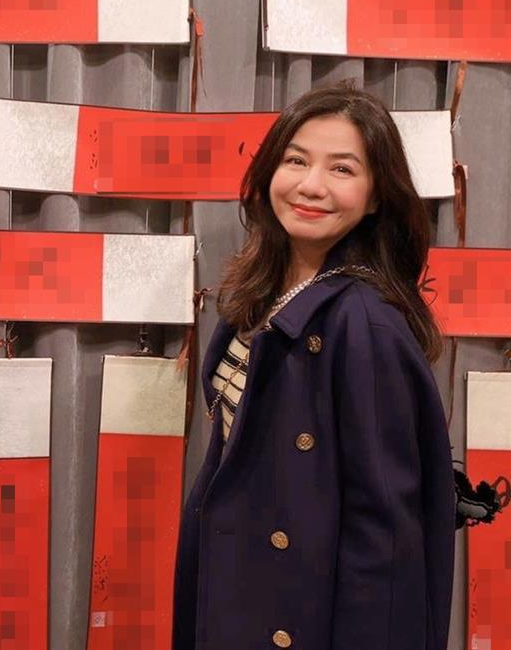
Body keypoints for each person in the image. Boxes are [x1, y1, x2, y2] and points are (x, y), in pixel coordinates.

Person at [172, 85, 455, 650]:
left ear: (376, 197)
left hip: (301, 615)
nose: (311, 185)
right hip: (239, 586)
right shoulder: (261, 292)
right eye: (296, 160)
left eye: (342, 169)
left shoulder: (364, 323)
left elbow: (385, 532)